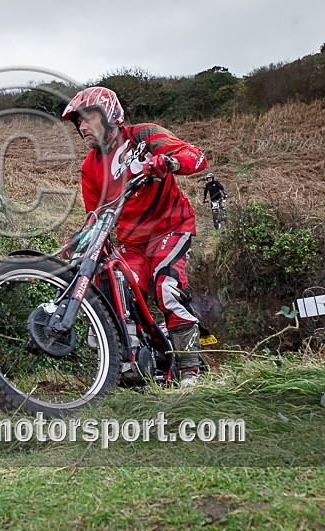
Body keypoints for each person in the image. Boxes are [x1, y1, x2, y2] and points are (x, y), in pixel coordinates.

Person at [62, 86, 208, 386]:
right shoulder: (90, 167)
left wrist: (169, 163)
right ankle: (134, 362)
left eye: (88, 118)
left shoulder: (143, 136)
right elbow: (96, 217)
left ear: (109, 115)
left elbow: (195, 156)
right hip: (133, 243)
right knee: (114, 290)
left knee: (167, 288)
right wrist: (78, 240)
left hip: (171, 226)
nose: (82, 126)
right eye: (78, 122)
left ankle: (191, 372)